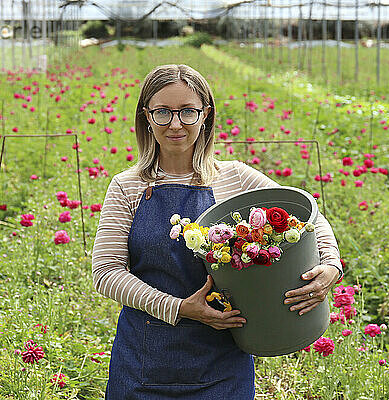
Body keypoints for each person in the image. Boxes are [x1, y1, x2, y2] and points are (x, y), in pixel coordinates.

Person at [91, 64, 342, 399]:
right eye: (163, 112)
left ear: (205, 115)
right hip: (144, 360)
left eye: (187, 112)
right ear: (147, 116)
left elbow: (309, 214)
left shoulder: (235, 179)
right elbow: (106, 273)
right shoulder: (128, 186)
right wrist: (179, 308)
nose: (175, 123)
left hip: (223, 361)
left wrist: (330, 266)